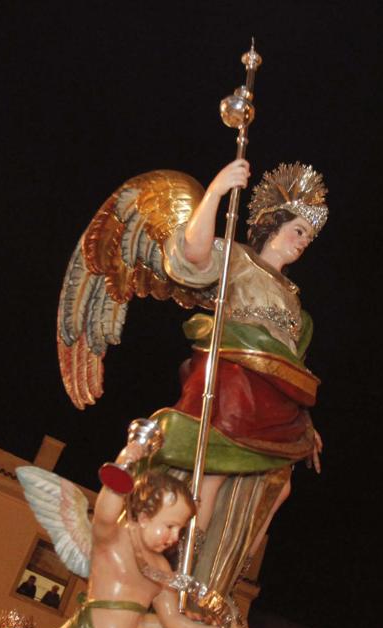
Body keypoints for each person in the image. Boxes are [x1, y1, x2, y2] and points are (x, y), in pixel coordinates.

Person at [149, 159, 327, 598]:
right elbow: (193, 254)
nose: (303, 242)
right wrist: (216, 190)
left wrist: (307, 424)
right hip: (234, 383)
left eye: (309, 236)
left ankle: (226, 571)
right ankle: (186, 567)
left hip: (275, 396)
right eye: (298, 230)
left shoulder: (294, 302)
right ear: (272, 224)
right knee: (214, 473)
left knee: (278, 486)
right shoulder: (239, 261)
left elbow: (293, 366)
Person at [0, 450, 242, 628]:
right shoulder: (114, 542)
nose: (174, 537)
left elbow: (174, 623)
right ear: (143, 516)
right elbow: (107, 507)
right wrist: (130, 456)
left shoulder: (160, 569)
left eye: (180, 530)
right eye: (169, 526)